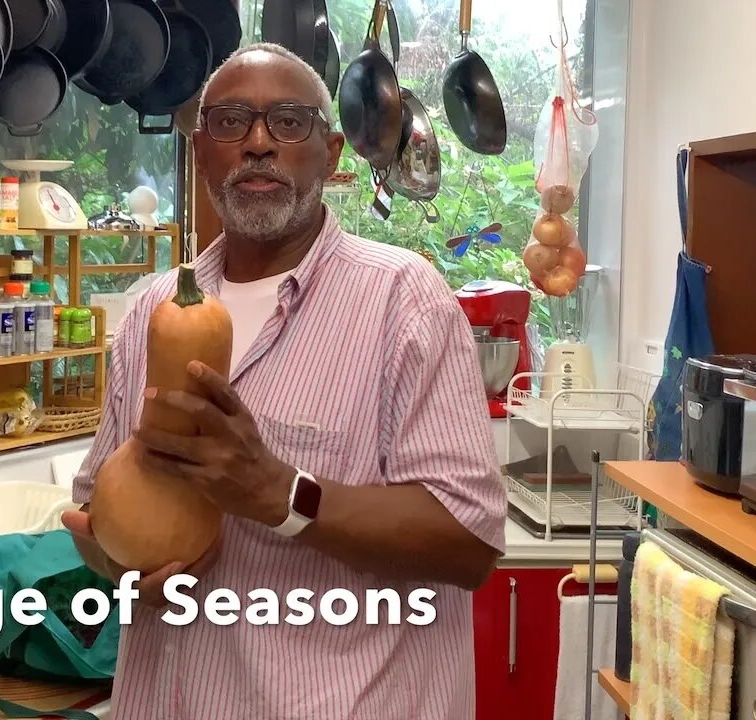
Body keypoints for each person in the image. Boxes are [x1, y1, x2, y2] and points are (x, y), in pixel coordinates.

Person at [62, 42, 506, 719]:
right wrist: (118, 563)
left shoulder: (404, 301)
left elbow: (468, 544)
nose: (259, 143)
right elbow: (102, 525)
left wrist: (280, 493)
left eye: (289, 122)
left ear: (330, 154)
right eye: (231, 122)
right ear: (202, 151)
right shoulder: (152, 310)